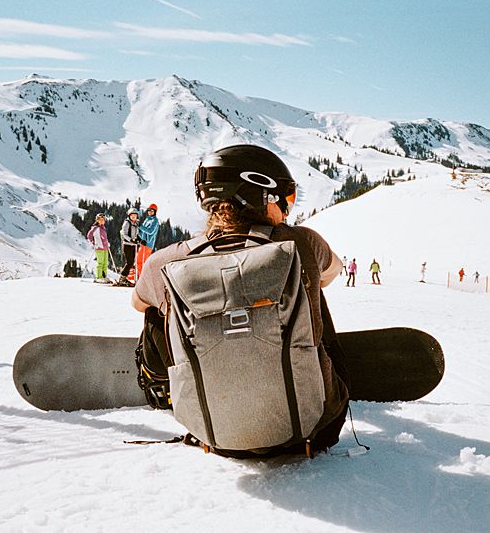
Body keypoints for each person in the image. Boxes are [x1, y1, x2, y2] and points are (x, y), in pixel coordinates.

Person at [130, 144, 349, 455]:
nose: (287, 210)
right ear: (261, 194)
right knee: (311, 287)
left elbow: (138, 303)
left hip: (213, 434)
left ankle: (162, 383)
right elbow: (332, 273)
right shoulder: (303, 241)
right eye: (285, 199)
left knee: (156, 310)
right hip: (315, 430)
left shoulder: (171, 261)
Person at [117, 207, 140, 286]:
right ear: (129, 216)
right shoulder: (127, 223)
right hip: (127, 245)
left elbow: (136, 234)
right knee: (129, 262)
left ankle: (124, 277)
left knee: (132, 262)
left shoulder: (136, 224)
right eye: (132, 216)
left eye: (135, 216)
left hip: (133, 245)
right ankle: (122, 278)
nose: (133, 217)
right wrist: (131, 240)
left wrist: (139, 239)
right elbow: (124, 233)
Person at [135, 203, 159, 276]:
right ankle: (140, 278)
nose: (150, 212)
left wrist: (140, 226)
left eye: (152, 211)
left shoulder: (155, 221)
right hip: (143, 243)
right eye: (149, 211)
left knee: (144, 262)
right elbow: (142, 231)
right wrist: (139, 236)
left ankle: (145, 278)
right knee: (138, 261)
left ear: (155, 212)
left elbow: (150, 231)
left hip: (148, 244)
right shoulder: (147, 219)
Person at [86, 213, 111, 283]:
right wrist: (93, 243)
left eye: (103, 220)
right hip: (99, 247)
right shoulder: (95, 228)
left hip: (105, 248)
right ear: (97, 220)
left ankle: (104, 276)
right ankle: (99, 277)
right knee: (100, 263)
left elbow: (104, 238)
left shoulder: (103, 228)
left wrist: (107, 243)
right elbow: (89, 236)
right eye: (100, 220)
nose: (102, 221)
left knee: (105, 263)